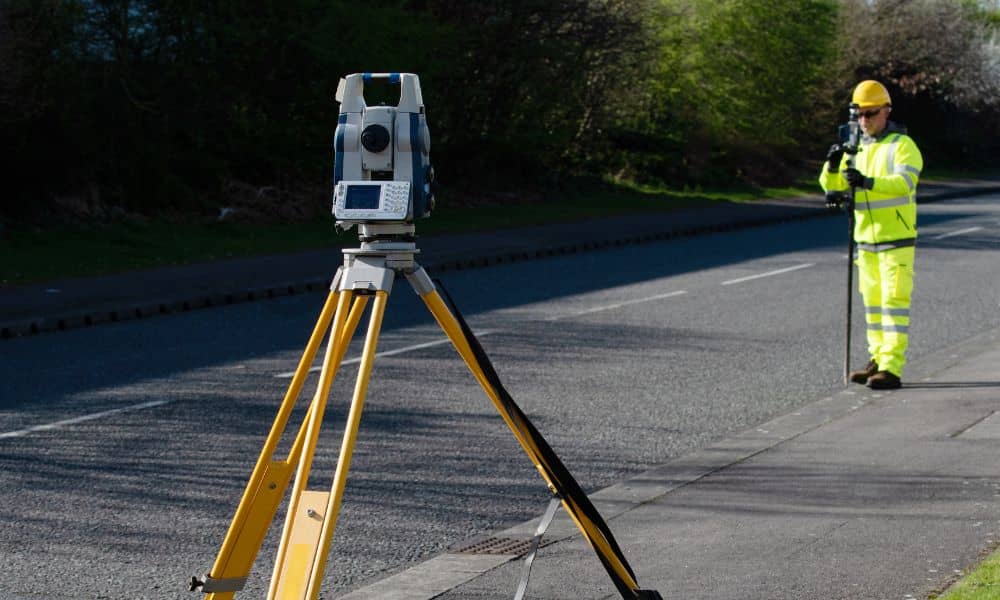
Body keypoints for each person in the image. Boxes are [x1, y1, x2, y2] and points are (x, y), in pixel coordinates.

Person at [819, 80, 923, 390]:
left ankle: (891, 366)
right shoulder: (856, 148)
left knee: (894, 303)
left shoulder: (903, 146)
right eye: (860, 114)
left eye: (871, 113)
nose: (864, 120)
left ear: (886, 111)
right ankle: (877, 358)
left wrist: (868, 181)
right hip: (866, 240)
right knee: (874, 306)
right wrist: (832, 164)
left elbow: (905, 183)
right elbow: (831, 187)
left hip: (896, 239)